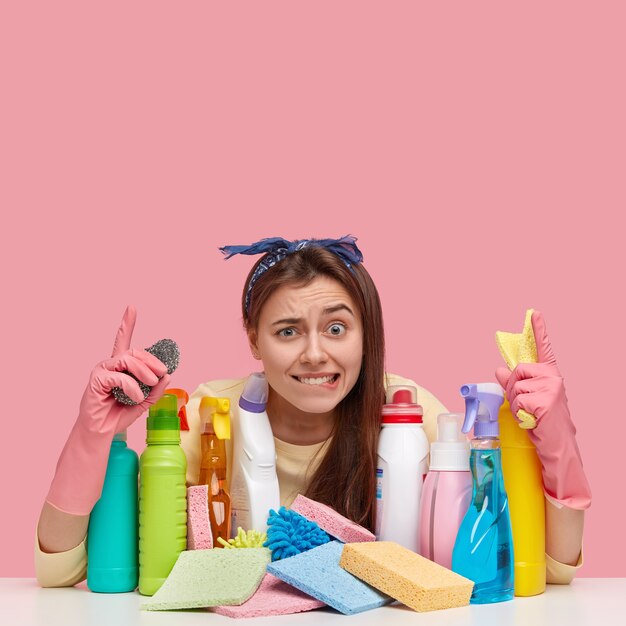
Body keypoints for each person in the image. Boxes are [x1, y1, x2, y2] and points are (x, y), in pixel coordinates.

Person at [35, 235, 591, 588]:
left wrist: (556, 441)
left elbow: (547, 569)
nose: (315, 354)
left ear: (366, 333)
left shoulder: (408, 413)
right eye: (286, 331)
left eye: (336, 328)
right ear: (253, 338)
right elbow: (64, 568)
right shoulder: (210, 415)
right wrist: (91, 435)